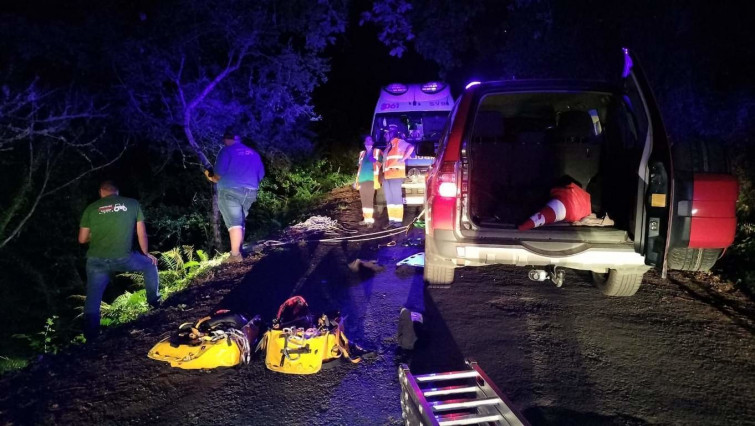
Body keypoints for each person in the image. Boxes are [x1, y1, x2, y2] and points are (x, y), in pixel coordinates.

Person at [78, 180, 160, 341]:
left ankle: (90, 336)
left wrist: (98, 233)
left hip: (96, 261)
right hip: (123, 257)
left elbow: (82, 239)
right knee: (150, 265)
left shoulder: (91, 208)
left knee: (93, 296)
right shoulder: (132, 204)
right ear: (117, 191)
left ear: (101, 192)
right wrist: (146, 253)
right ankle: (155, 304)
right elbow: (141, 233)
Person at [204, 130, 265, 262]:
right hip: (250, 191)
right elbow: (260, 175)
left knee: (234, 223)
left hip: (229, 191)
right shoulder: (253, 153)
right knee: (240, 222)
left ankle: (235, 255)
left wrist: (208, 176)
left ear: (226, 139)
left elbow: (217, 176)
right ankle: (239, 250)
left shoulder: (226, 151)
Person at [381, 126, 414, 228]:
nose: (384, 135)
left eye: (386, 133)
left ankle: (398, 222)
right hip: (387, 176)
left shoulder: (399, 142)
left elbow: (411, 147)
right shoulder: (388, 146)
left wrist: (403, 159)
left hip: (395, 175)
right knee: (389, 199)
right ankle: (392, 221)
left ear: (392, 134)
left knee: (396, 199)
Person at [354, 135, 383, 227]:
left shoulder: (377, 152)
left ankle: (369, 221)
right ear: (364, 143)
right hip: (362, 180)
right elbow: (359, 167)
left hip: (371, 179)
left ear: (373, 142)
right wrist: (356, 181)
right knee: (364, 201)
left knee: (369, 201)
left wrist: (374, 160)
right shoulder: (362, 153)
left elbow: (381, 164)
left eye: (370, 140)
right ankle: (366, 219)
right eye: (366, 140)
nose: (368, 142)